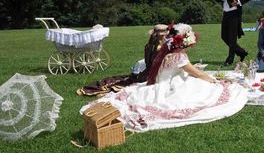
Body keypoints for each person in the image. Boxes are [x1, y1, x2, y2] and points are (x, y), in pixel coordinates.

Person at [80, 23, 248, 132]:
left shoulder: (165, 53)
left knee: (197, 83)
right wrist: (213, 80)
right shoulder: (179, 57)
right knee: (208, 90)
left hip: (158, 83)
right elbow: (196, 73)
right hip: (170, 87)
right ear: (183, 42)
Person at [76, 24, 169, 96]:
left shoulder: (148, 46)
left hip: (145, 73)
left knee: (122, 80)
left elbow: (147, 62)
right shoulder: (161, 48)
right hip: (152, 76)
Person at [214, 0, 253, 66]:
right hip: (226, 13)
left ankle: (229, 60)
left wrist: (239, 2)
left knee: (232, 38)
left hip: (235, 14)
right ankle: (241, 52)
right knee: (224, 36)